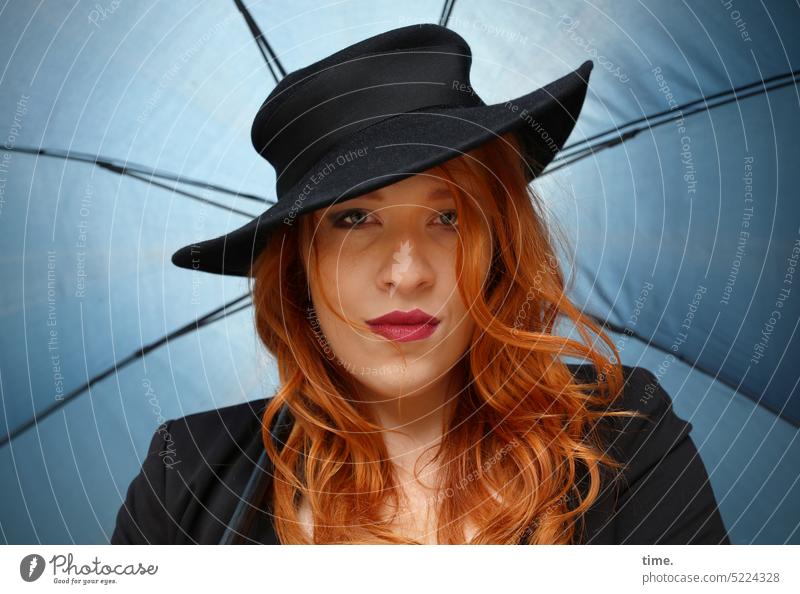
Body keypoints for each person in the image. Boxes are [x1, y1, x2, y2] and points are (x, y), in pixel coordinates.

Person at [111, 23, 729, 545]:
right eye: (355, 218)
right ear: (298, 261)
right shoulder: (188, 473)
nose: (407, 274)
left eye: (448, 217)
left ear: (498, 245)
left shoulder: (621, 432)